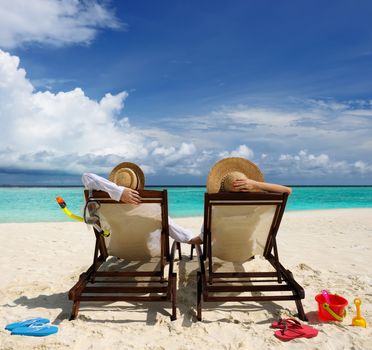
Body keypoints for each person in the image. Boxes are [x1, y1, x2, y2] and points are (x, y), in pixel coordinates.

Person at [82, 162, 195, 244]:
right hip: (147, 251)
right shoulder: (149, 208)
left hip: (117, 248)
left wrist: (118, 192)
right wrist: (189, 238)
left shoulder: (105, 205)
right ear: (139, 184)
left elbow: (86, 177)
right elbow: (169, 225)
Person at [188, 157, 292, 245]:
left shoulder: (215, 208)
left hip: (220, 250)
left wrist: (189, 240)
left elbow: (203, 239)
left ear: (222, 188)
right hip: (247, 250)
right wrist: (256, 184)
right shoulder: (257, 207)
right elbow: (287, 191)